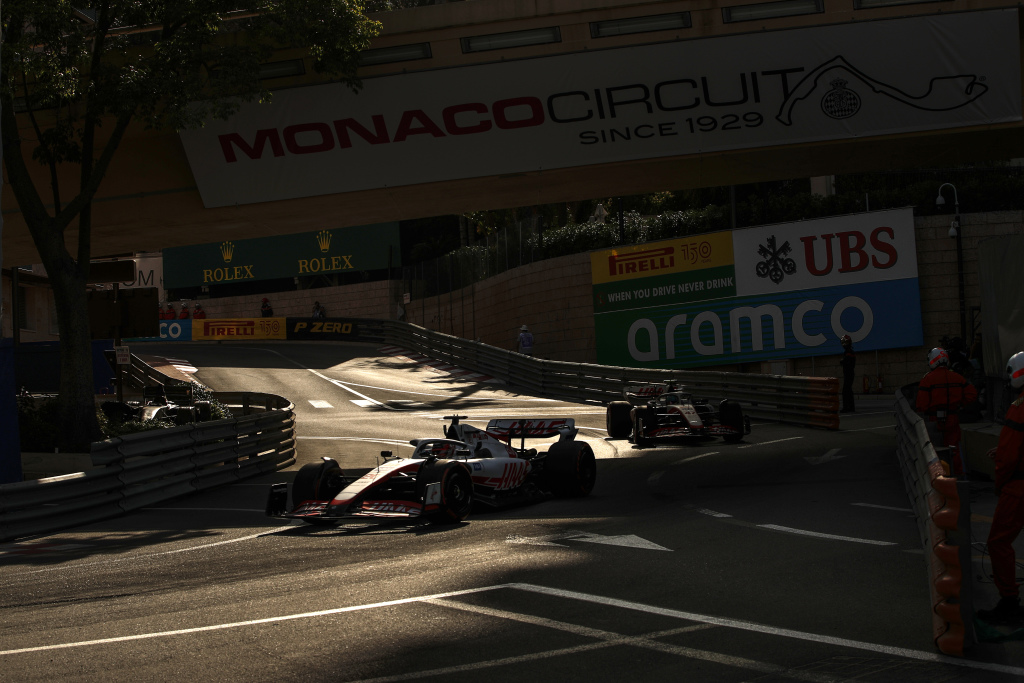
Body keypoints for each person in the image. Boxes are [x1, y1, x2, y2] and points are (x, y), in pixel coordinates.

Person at [977, 351, 1024, 624]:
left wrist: (1000, 485)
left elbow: (1007, 459)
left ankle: (1009, 602)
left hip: (1018, 488)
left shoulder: (1018, 407)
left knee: (998, 542)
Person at [915, 347, 977, 475]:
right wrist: (960, 404)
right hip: (952, 418)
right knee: (954, 449)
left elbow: (921, 405)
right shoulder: (957, 378)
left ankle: (939, 477)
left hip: (934, 420)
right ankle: (958, 476)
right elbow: (972, 394)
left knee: (934, 450)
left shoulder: (928, 379)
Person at [839, 335, 855, 413]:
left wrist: (843, 361)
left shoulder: (849, 352)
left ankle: (847, 407)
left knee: (845, 391)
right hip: (849, 373)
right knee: (848, 391)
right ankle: (851, 407)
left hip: (849, 373)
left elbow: (848, 362)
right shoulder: (849, 351)